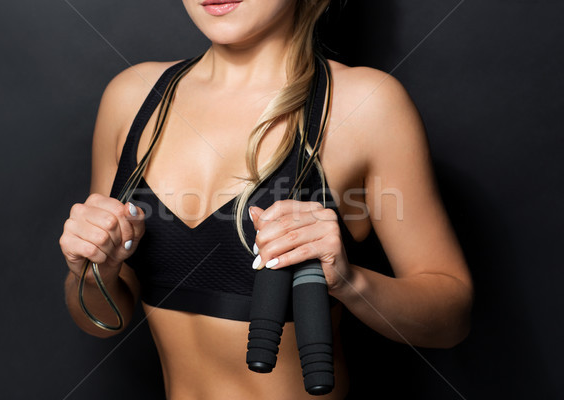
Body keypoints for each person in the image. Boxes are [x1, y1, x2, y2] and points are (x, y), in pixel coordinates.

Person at [59, 0, 474, 398]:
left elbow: (452, 318)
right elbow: (102, 322)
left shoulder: (366, 105)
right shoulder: (132, 98)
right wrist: (91, 269)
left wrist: (350, 282)